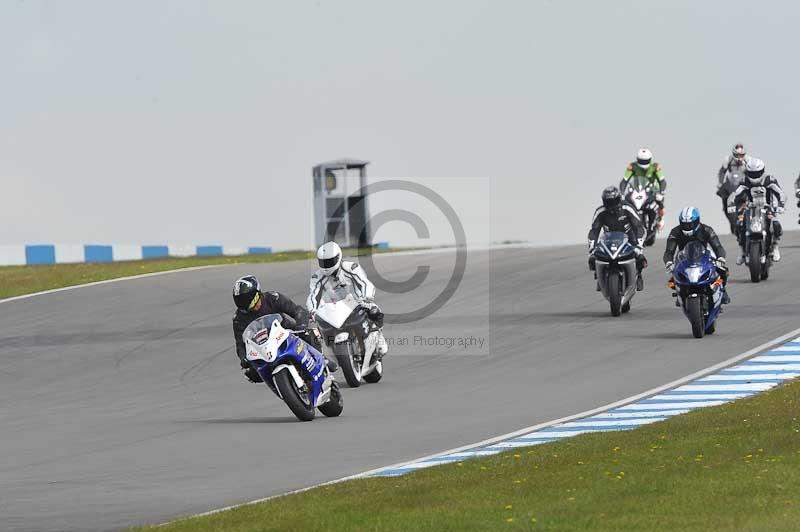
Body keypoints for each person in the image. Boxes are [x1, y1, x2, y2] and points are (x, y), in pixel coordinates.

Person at [232, 275, 332, 384]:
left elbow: (297, 310)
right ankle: (283, 387)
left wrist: (301, 324)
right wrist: (244, 359)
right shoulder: (239, 319)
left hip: (286, 333)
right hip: (264, 349)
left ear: (258, 293)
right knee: (253, 374)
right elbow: (240, 343)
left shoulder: (273, 298)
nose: (252, 308)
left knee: (308, 330)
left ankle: (321, 358)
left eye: (253, 303)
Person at [307, 241, 389, 357]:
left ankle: (379, 337)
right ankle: (331, 355)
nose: (326, 266)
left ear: (338, 257)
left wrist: (367, 299)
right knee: (319, 328)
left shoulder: (351, 268)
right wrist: (312, 311)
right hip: (335, 306)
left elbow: (365, 284)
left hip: (357, 303)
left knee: (375, 311)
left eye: (329, 262)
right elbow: (312, 295)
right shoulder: (317, 276)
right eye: (323, 262)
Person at [663, 207, 730, 304]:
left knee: (722, 271)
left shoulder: (706, 229)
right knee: (671, 282)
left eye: (690, 224)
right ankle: (680, 292)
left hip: (704, 254)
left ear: (697, 221)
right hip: (683, 256)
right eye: (684, 224)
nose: (687, 227)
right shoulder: (675, 232)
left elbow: (718, 246)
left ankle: (722, 289)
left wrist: (720, 258)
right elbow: (669, 251)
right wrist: (669, 262)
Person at [727, 157, 787, 263]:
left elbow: (780, 193)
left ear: (762, 171)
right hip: (750, 208)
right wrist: (731, 204)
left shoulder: (769, 179)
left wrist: (781, 205)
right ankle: (741, 249)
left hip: (768, 207)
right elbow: (735, 194)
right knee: (739, 224)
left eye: (757, 173)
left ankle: (775, 246)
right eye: (752, 173)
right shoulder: (744, 180)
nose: (754, 176)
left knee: (775, 223)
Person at [588, 186, 647, 290]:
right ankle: (599, 276)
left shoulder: (627, 208)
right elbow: (594, 231)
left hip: (629, 239)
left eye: (614, 201)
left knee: (640, 257)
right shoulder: (600, 212)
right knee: (594, 258)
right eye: (608, 202)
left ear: (619, 199)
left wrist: (639, 246)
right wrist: (591, 249)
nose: (611, 205)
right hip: (608, 241)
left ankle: (639, 275)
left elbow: (638, 227)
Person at [619, 148, 667, 228]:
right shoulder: (632, 166)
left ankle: (660, 219)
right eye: (641, 161)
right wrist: (622, 193)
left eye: (645, 161)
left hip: (652, 190)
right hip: (637, 190)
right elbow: (624, 181)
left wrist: (661, 192)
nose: (643, 163)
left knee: (660, 201)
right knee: (625, 203)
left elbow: (662, 182)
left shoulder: (655, 167)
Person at [716, 143, 749, 220]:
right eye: (737, 155)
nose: (739, 157)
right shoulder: (728, 159)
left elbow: (752, 172)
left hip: (743, 183)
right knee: (722, 192)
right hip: (731, 183)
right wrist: (720, 183)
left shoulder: (747, 160)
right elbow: (721, 172)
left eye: (741, 155)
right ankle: (725, 207)